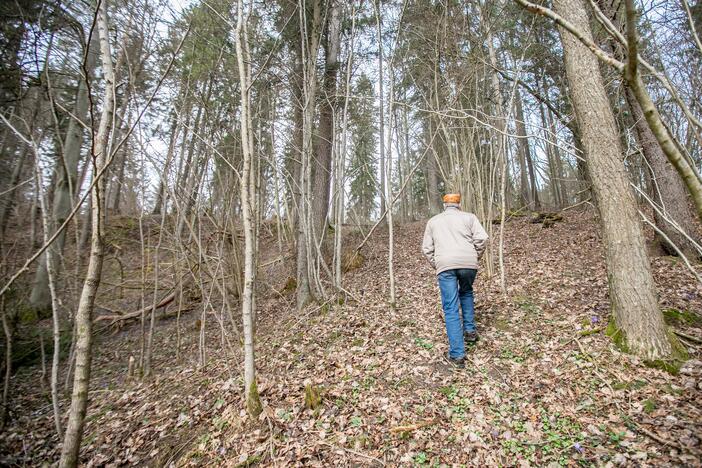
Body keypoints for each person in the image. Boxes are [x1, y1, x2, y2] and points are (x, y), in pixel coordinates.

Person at [421, 193, 489, 369]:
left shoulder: (433, 221)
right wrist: (475, 256)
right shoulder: (469, 217)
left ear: (445, 205)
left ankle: (458, 355)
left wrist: (438, 264)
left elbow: (427, 248)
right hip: (468, 263)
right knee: (466, 292)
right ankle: (470, 331)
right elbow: (482, 238)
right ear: (459, 204)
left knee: (450, 307)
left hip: (445, 265)